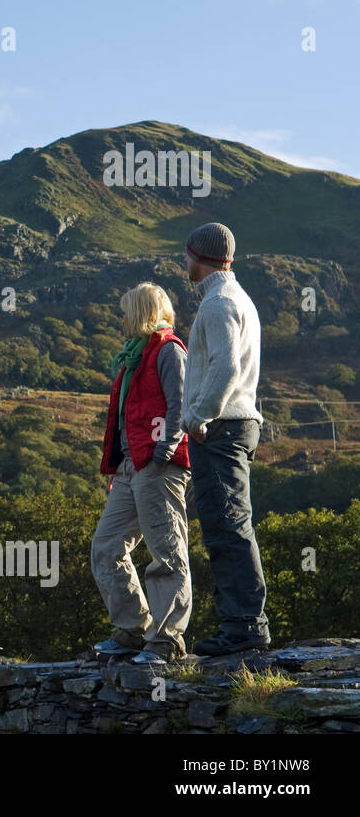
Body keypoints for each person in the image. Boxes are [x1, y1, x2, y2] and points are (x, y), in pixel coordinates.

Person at [91, 282, 193, 664]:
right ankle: (133, 629)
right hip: (131, 466)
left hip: (157, 464)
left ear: (141, 312)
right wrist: (119, 466)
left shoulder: (168, 350)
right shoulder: (132, 356)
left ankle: (166, 640)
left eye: (125, 312)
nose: (121, 319)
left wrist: (162, 452)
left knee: (167, 550)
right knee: (106, 547)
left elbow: (181, 404)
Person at [180, 222, 270, 655]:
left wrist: (198, 417)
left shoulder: (217, 303)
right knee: (230, 525)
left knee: (226, 528)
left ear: (199, 256)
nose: (185, 261)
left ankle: (245, 628)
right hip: (237, 425)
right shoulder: (239, 298)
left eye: (187, 254)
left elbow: (225, 369)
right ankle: (242, 624)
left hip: (221, 428)